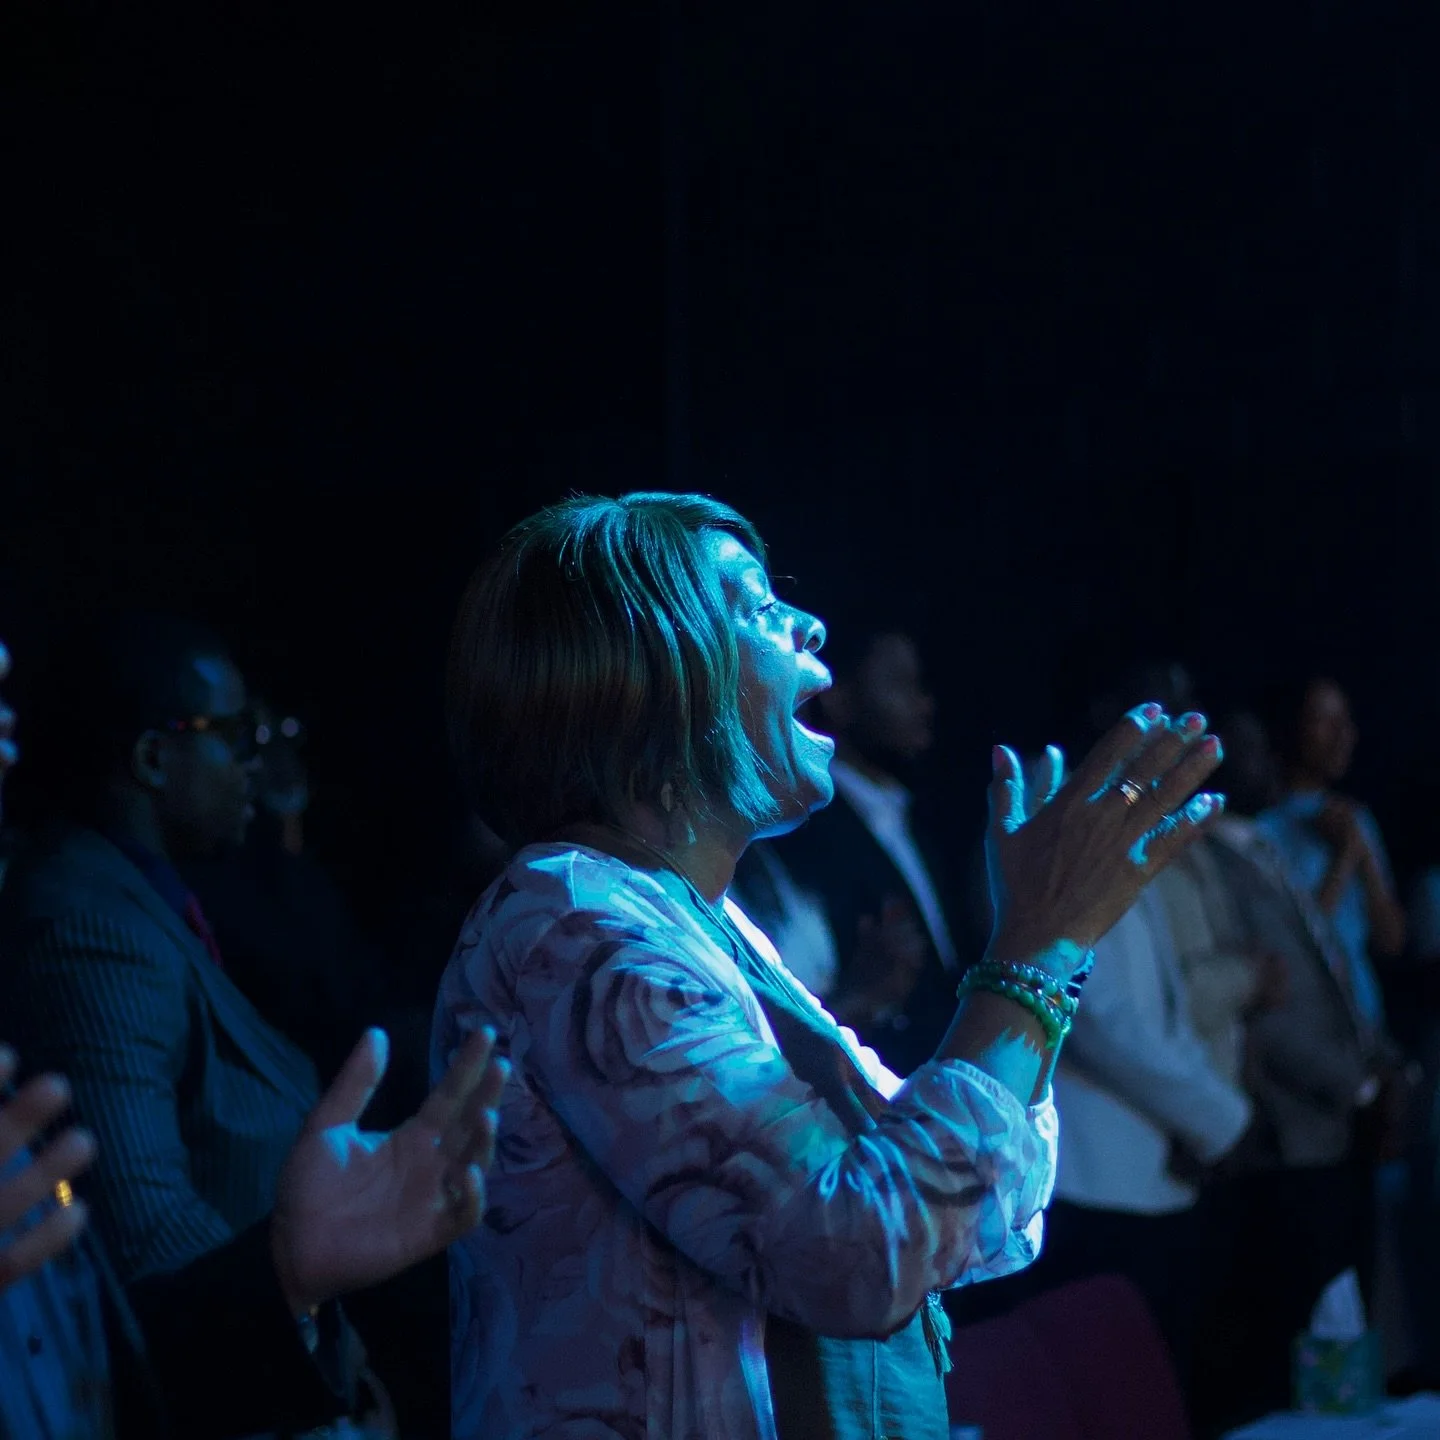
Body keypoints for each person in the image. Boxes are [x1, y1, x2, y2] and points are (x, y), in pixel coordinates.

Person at [433, 491, 1225, 1440]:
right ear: (645, 674)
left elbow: (982, 1214)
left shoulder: (703, 926)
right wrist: (1034, 950)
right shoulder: (571, 925)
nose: (808, 623)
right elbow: (860, 1252)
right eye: (754, 606)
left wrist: (1049, 955)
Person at [0, 634, 509, 1439]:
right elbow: (151, 1241)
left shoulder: (147, 898)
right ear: (153, 761)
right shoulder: (89, 925)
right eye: (233, 737)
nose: (252, 767)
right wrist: (316, 1361)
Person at [757, 622, 962, 1074]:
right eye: (899, 684)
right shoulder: (800, 831)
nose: (924, 705)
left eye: (922, 685)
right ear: (839, 696)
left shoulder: (924, 825)